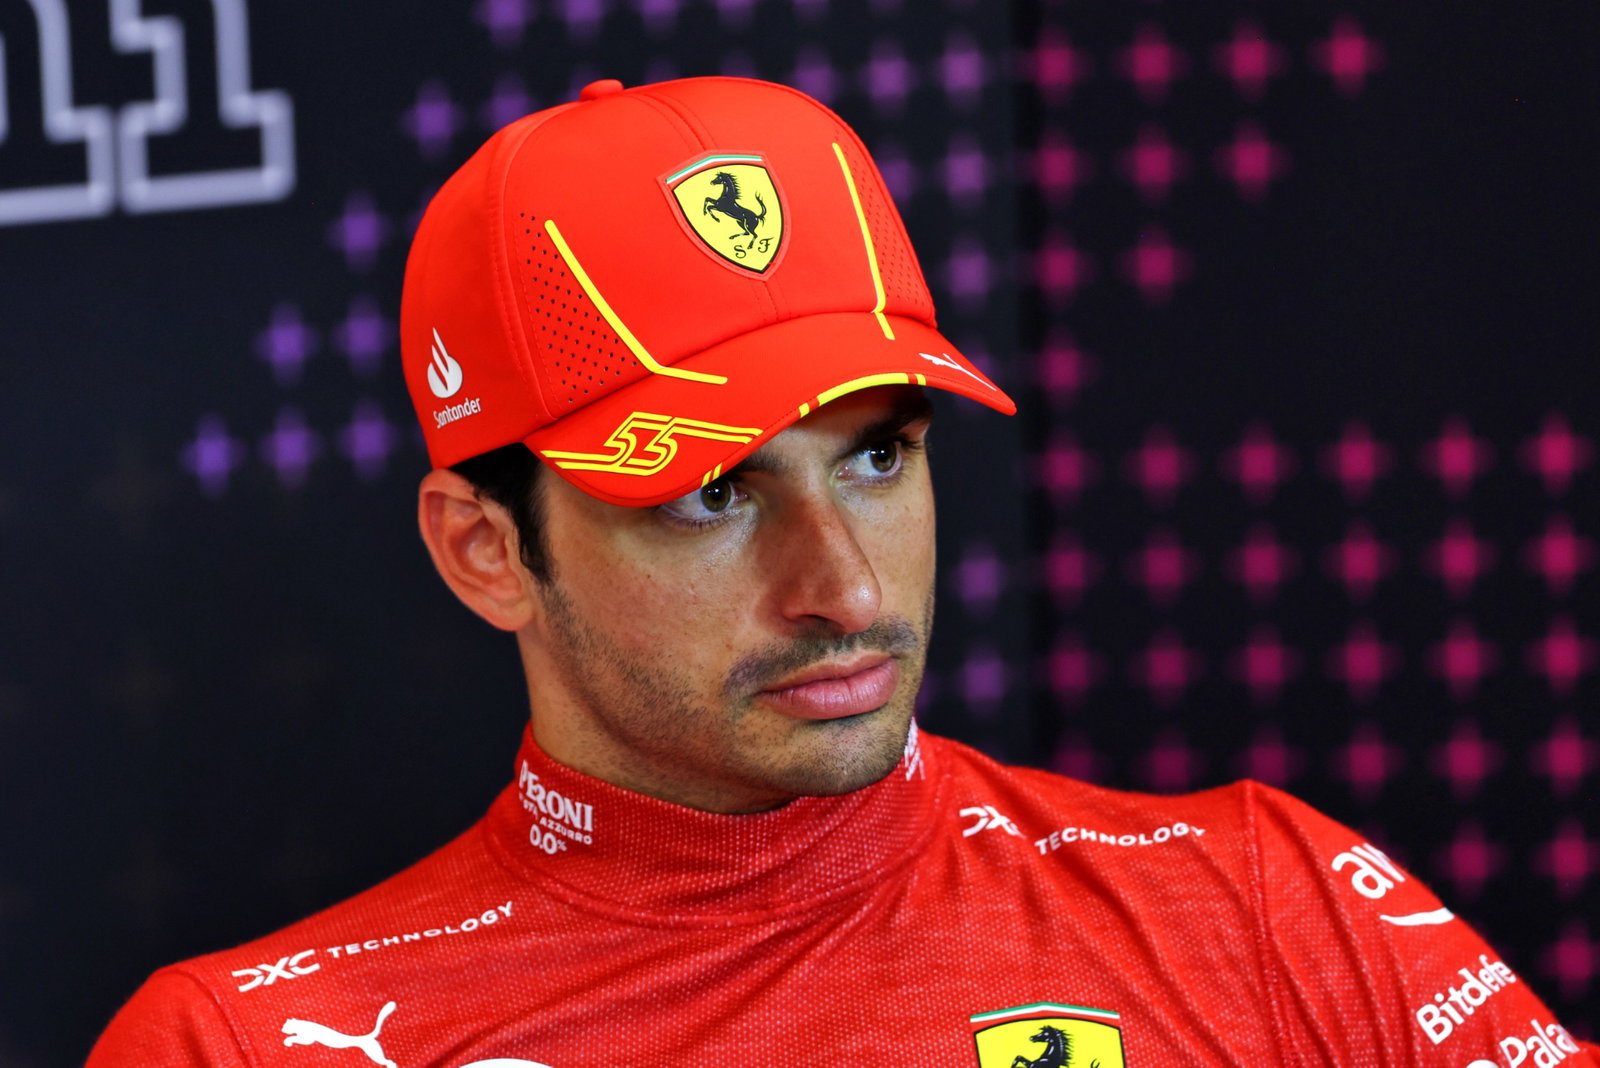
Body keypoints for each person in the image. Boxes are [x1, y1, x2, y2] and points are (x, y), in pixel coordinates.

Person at [89, 76, 1594, 1068]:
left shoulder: (1271, 906)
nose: (847, 588)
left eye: (879, 456)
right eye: (711, 494)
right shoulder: (253, 1044)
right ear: (488, 551)